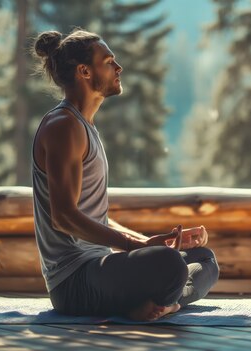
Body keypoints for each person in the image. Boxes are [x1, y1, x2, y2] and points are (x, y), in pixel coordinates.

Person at [31, 28, 220, 322]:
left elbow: (93, 217)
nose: (118, 68)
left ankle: (161, 303)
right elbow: (63, 217)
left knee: (204, 259)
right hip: (74, 283)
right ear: (84, 71)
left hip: (101, 268)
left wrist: (148, 242)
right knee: (171, 266)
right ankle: (160, 301)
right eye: (108, 62)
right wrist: (137, 248)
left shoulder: (83, 125)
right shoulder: (63, 126)